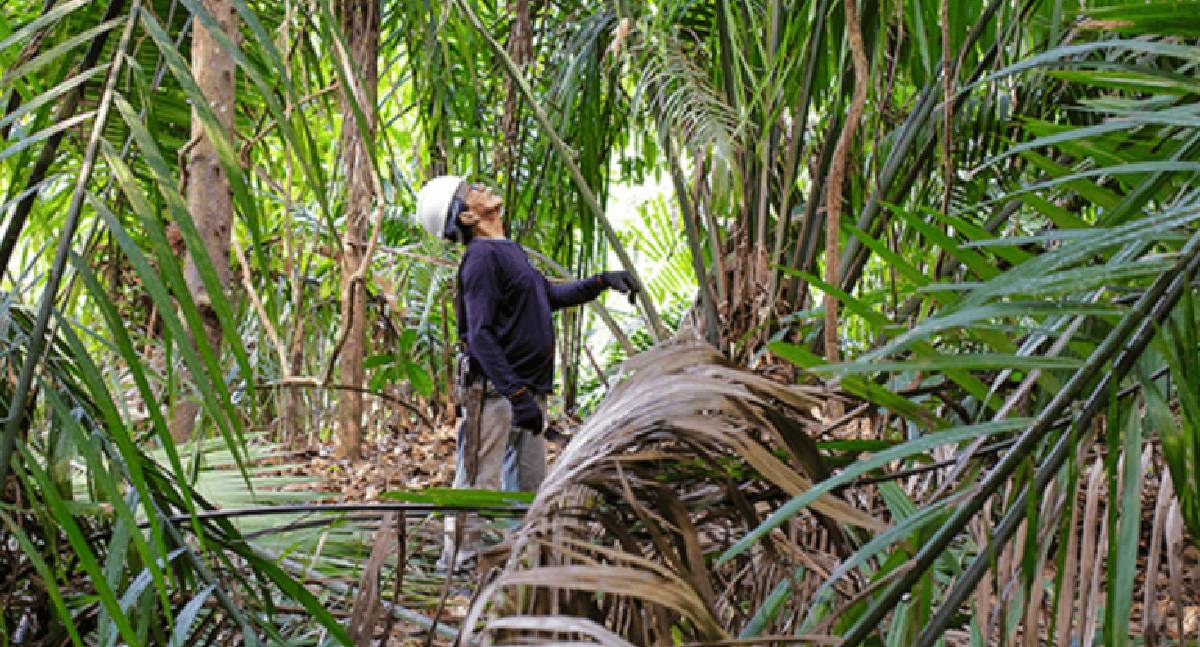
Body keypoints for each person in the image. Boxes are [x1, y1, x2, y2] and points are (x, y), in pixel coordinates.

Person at [414, 176, 640, 571]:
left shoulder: (507, 251)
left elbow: (547, 296)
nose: (482, 187)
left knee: (529, 486)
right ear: (467, 216)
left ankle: (521, 560)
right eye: (471, 190)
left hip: (525, 392)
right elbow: (480, 336)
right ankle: (458, 563)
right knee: (478, 482)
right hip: (497, 393)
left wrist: (602, 282)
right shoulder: (482, 259)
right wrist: (515, 394)